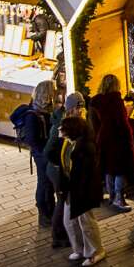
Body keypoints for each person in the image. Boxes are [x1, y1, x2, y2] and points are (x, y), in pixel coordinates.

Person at [58, 115, 106, 267]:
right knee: (69, 221)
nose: (60, 130)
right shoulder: (68, 143)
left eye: (63, 128)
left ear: (72, 131)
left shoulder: (86, 147)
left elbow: (87, 175)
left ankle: (96, 251)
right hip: (71, 189)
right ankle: (79, 249)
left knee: (86, 222)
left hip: (83, 191)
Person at [45, 92, 86, 248]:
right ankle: (58, 237)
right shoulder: (61, 125)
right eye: (79, 108)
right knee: (62, 202)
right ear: (72, 108)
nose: (81, 111)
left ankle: (64, 234)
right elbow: (48, 151)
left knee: (65, 202)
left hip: (61, 169)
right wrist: (61, 163)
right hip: (57, 170)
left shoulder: (71, 120)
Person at [90, 74, 134, 210]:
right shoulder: (116, 100)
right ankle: (119, 198)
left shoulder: (96, 101)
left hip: (103, 138)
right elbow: (121, 121)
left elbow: (96, 121)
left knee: (109, 168)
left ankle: (111, 195)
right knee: (121, 169)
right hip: (118, 138)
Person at [12, 79, 54, 225]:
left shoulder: (44, 110)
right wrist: (43, 152)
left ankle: (50, 210)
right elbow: (31, 139)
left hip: (45, 152)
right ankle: (43, 213)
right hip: (41, 154)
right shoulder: (33, 114)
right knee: (44, 182)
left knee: (48, 183)